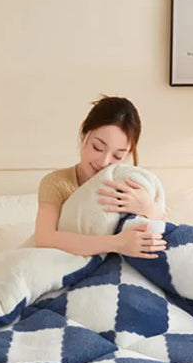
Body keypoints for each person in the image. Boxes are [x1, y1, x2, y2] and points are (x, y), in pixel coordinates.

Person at [34, 96, 167, 259]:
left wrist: (147, 208)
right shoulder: (57, 183)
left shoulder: (129, 185)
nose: (104, 162)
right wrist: (116, 243)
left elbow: (164, 232)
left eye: (117, 156)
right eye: (97, 147)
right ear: (84, 135)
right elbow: (45, 239)